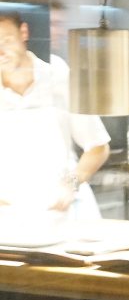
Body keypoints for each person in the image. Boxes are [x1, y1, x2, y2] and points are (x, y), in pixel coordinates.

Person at [0, 11, 110, 218]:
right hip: (10, 215)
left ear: (23, 32)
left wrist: (71, 185)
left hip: (66, 211)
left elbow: (98, 147)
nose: (1, 51)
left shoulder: (59, 76)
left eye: (6, 40)